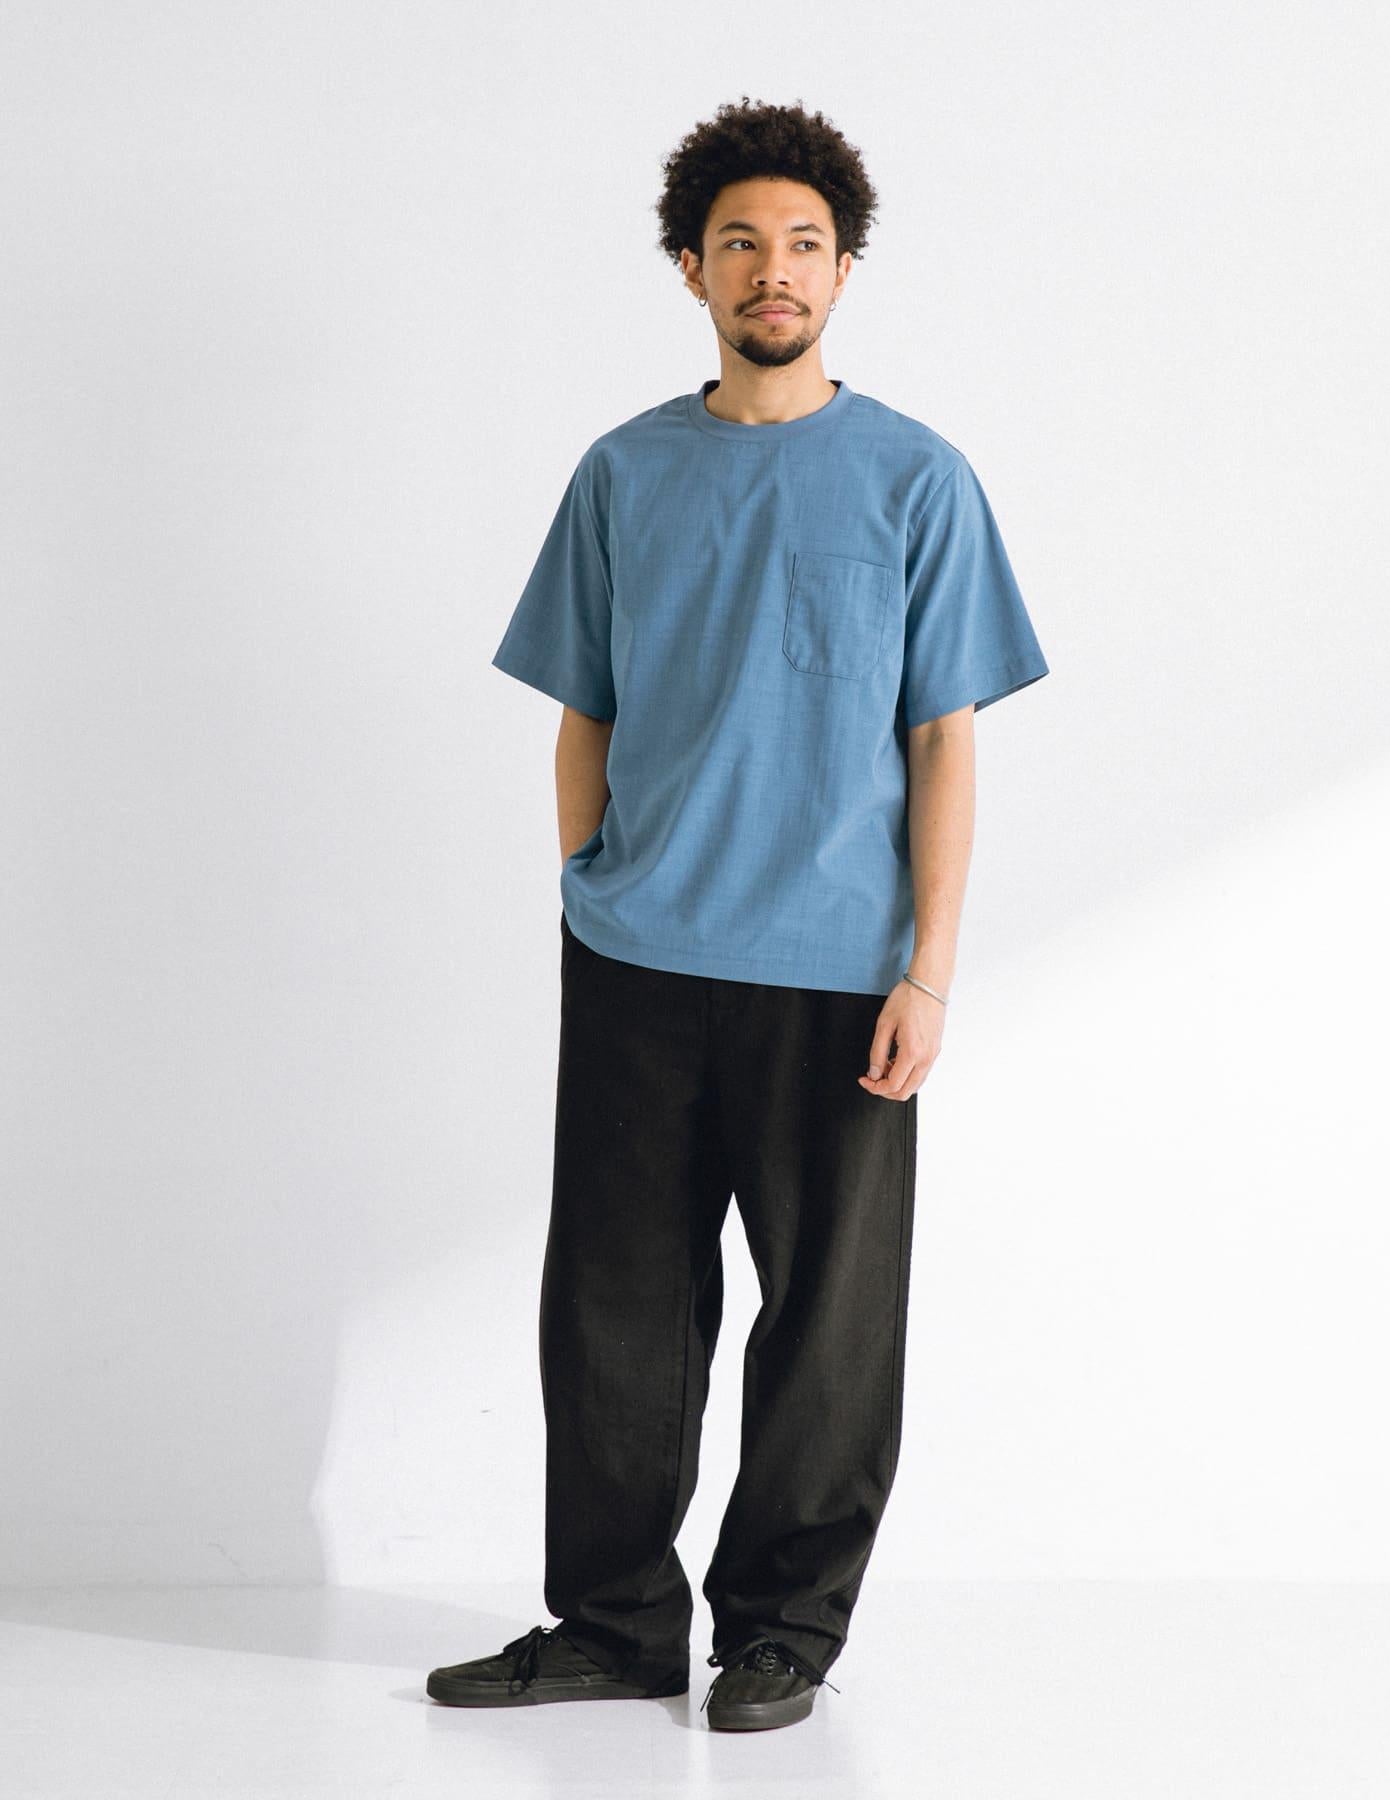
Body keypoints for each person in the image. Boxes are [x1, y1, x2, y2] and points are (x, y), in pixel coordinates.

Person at [427, 96, 1049, 1733]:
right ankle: (613, 1626)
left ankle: (782, 1631)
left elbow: (943, 738)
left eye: (804, 246)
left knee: (827, 1324)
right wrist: (592, 884)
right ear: (690, 268)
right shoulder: (624, 473)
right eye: (741, 245)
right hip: (637, 958)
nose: (774, 270)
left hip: (839, 974)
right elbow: (584, 708)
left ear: (843, 271)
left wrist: (929, 971)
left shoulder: (917, 479)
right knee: (613, 1313)